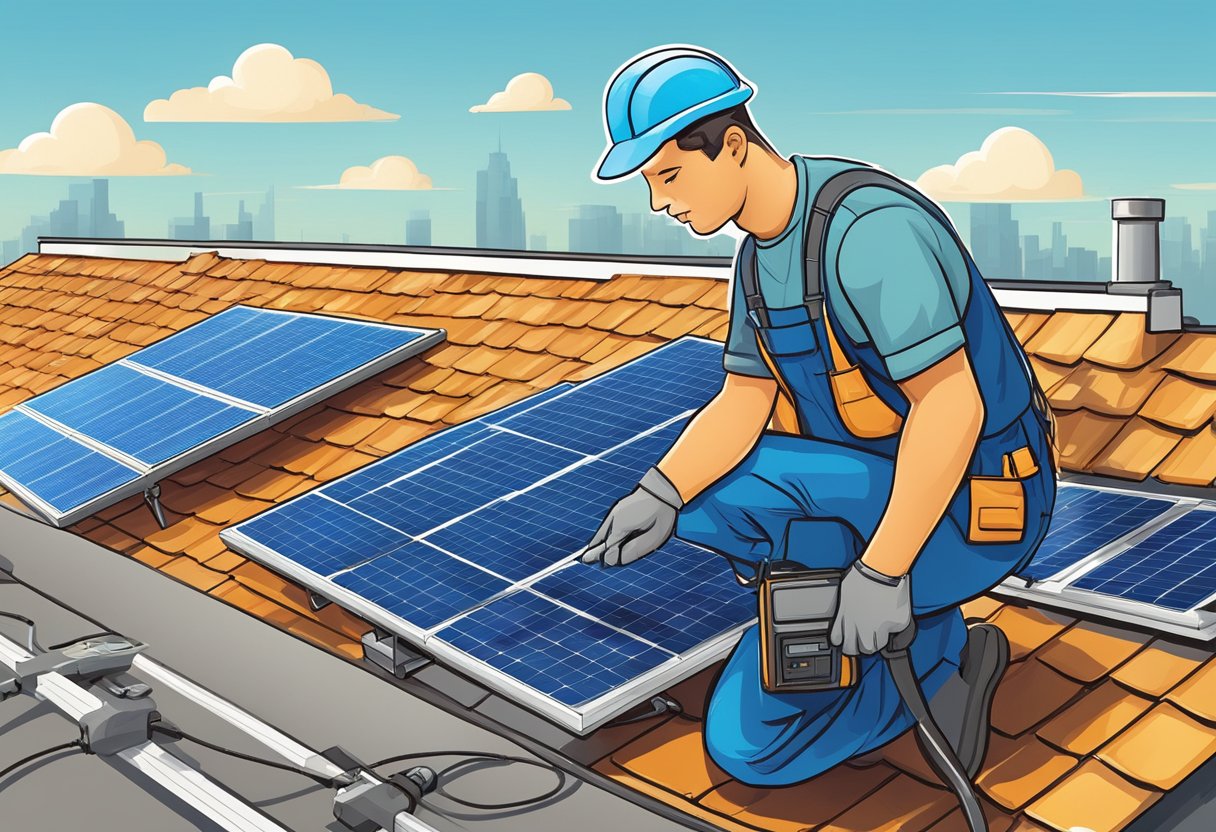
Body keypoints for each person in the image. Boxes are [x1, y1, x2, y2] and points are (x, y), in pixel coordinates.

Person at [580, 44, 1059, 786]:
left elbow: (951, 402)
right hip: (868, 485)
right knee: (692, 505)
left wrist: (881, 568)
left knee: (749, 750)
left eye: (668, 175)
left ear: (732, 144)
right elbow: (745, 400)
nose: (659, 203)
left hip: (976, 504)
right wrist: (661, 491)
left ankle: (937, 659)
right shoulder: (757, 261)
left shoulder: (868, 231)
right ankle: (848, 595)